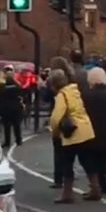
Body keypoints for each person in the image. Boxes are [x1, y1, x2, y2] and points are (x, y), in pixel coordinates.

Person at [49, 68, 96, 204]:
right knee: (87, 161)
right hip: (86, 129)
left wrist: (55, 132)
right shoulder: (74, 91)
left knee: (67, 163)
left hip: (72, 132)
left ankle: (67, 194)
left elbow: (56, 117)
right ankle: (95, 188)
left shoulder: (61, 96)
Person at [82, 67, 106, 198]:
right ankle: (103, 184)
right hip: (105, 132)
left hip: (89, 132)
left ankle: (95, 185)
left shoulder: (86, 95)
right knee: (103, 158)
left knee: (89, 159)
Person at [47, 57, 75, 189]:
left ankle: (59, 178)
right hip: (72, 117)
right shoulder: (72, 81)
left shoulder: (55, 85)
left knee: (58, 149)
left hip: (60, 117)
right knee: (70, 150)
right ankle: (68, 176)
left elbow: (47, 98)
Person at [0, 68, 24, 148]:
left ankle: (7, 142)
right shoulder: (17, 86)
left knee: (6, 126)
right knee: (17, 125)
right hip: (16, 108)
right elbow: (21, 93)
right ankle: (19, 140)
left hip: (5, 108)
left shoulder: (2, 86)